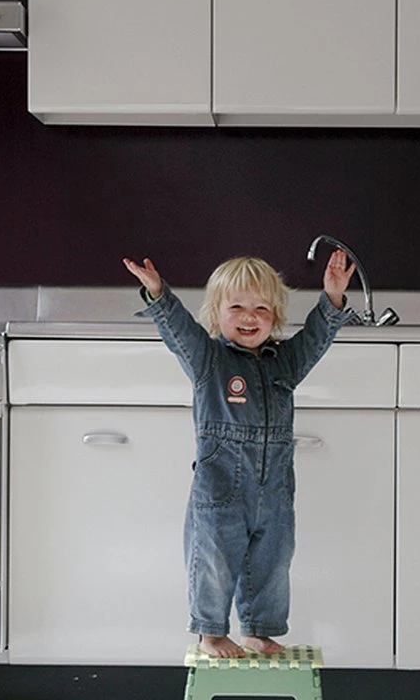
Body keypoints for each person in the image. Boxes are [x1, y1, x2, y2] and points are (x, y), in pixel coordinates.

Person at [122, 250, 355, 658]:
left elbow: (316, 339)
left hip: (275, 490)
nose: (250, 317)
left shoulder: (285, 363)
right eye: (237, 308)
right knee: (213, 559)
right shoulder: (208, 360)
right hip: (221, 489)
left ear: (275, 315)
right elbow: (179, 331)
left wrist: (333, 297)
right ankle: (211, 632)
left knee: (273, 561)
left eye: (261, 308)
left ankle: (259, 629)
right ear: (216, 313)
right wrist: (158, 293)